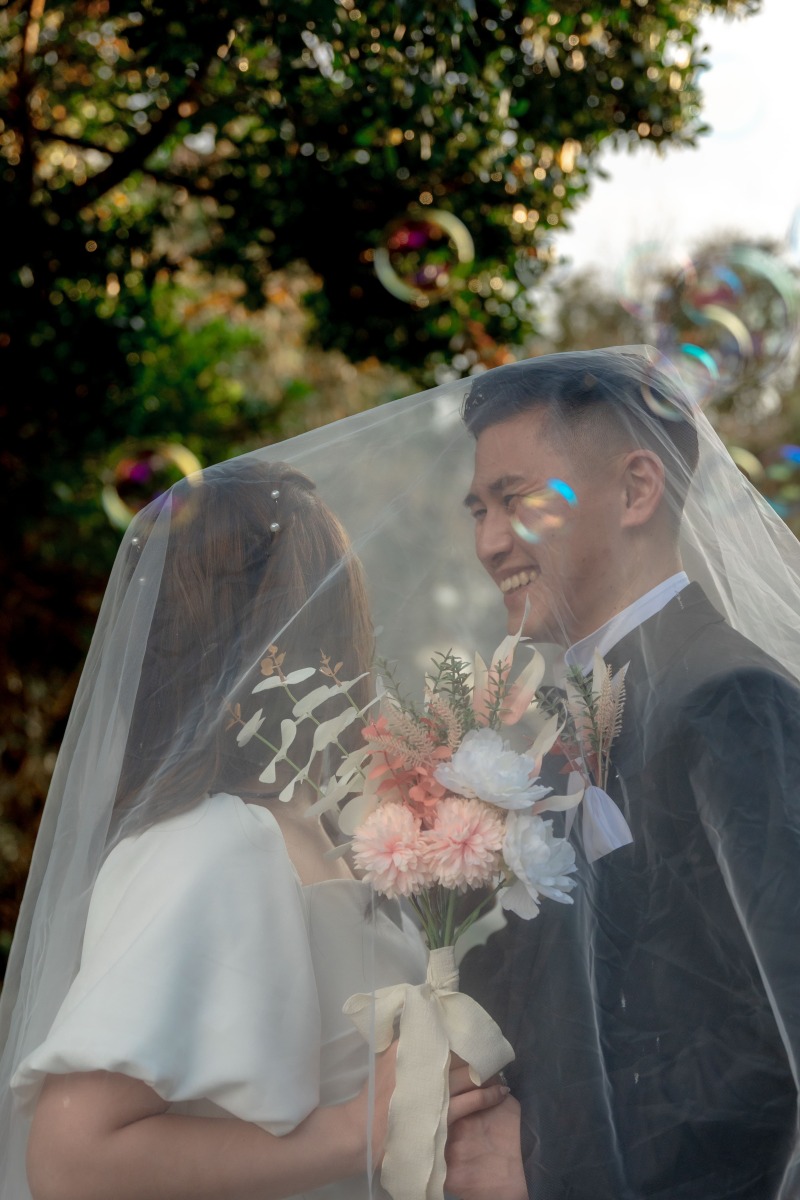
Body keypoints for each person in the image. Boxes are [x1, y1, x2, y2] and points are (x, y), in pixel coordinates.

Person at [0, 456, 510, 1200]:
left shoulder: (321, 832)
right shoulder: (215, 844)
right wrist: (358, 1129)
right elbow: (72, 1159)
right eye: (338, 598)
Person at [454, 347, 800, 1200]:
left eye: (519, 501)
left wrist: (545, 1164)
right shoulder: (584, 710)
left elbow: (773, 1037)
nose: (491, 543)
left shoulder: (731, 697)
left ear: (637, 491)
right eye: (478, 510)